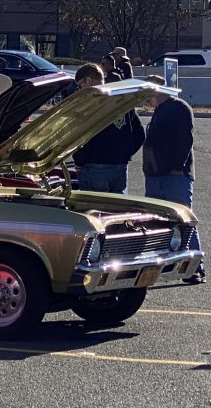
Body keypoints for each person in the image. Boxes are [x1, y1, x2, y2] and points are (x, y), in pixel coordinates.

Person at [142, 74, 202, 282]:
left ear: (157, 88)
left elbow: (185, 139)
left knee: (183, 220)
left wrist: (177, 167)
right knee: (159, 224)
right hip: (155, 176)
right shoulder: (159, 110)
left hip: (174, 176)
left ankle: (195, 268)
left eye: (147, 90)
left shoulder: (179, 107)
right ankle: (165, 266)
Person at [72, 64, 144, 194]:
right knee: (116, 211)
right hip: (119, 167)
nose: (80, 89)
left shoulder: (89, 104)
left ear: (88, 81)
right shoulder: (123, 101)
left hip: (94, 166)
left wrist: (79, 159)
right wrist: (124, 154)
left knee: (94, 211)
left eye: (80, 85)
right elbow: (139, 134)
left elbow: (78, 136)